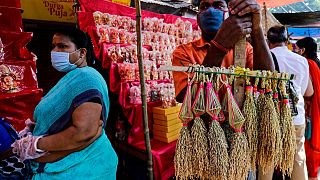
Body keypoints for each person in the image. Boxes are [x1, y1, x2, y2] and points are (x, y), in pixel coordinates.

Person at [10, 28, 118, 179]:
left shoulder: (87, 78)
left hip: (83, 168)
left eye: (62, 46)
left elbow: (84, 133)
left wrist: (36, 145)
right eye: (53, 46)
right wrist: (35, 129)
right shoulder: (71, 77)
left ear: (82, 53)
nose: (55, 51)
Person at [173, 0, 274, 102]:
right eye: (204, 6)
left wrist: (257, 29)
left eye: (219, 5)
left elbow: (265, 84)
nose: (211, 11)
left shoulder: (244, 49)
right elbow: (184, 98)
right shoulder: (183, 52)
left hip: (239, 118)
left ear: (229, 14)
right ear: (198, 17)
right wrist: (219, 46)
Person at [266, 26, 314, 180]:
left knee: (267, 158)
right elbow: (308, 92)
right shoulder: (302, 60)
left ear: (268, 41)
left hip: (272, 118)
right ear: (286, 41)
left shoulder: (263, 58)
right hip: (296, 117)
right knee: (298, 159)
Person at [296, 37, 320, 180]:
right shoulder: (316, 63)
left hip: (310, 110)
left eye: (297, 49)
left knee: (308, 144)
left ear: (303, 50)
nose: (295, 52)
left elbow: (308, 91)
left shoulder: (307, 64)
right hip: (315, 109)